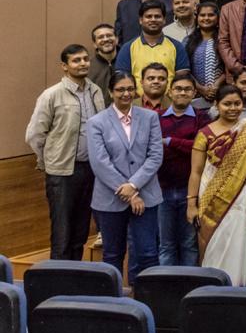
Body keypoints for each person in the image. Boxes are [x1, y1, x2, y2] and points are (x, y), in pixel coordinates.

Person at [185, 84, 246, 285]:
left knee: (239, 241)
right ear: (216, 105)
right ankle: (214, 288)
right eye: (227, 104)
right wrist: (191, 204)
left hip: (242, 195)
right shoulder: (204, 133)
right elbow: (196, 172)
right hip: (210, 194)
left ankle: (239, 288)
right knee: (213, 241)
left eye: (237, 104)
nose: (232, 108)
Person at [26, 44, 106, 262]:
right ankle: (58, 283)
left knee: (81, 231)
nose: (82, 64)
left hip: (90, 169)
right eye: (76, 60)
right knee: (62, 232)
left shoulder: (95, 91)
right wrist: (49, 160)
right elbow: (34, 134)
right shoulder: (51, 95)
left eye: (85, 59)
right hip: (61, 173)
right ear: (64, 66)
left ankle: (75, 278)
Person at [88, 71, 163, 284]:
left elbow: (155, 156)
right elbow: (99, 163)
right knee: (112, 254)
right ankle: (113, 305)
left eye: (130, 89)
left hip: (146, 195)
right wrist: (129, 193)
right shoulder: (97, 122)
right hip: (110, 199)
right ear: (111, 92)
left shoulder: (150, 117)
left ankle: (150, 302)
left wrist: (134, 185)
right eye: (120, 89)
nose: (126, 93)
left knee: (148, 253)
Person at [156, 72, 206, 266]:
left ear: (194, 93)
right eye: (178, 89)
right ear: (170, 91)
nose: (182, 93)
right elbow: (153, 149)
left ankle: (189, 287)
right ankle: (166, 291)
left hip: (191, 191)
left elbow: (199, 147)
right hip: (162, 189)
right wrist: (185, 146)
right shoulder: (157, 118)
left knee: (189, 243)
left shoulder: (201, 119)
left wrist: (169, 141)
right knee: (166, 244)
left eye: (187, 89)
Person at [116, 0, 191, 93]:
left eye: (157, 16)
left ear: (164, 20)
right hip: (137, 103)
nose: (153, 19)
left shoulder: (177, 47)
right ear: (140, 20)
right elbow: (122, 81)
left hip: (169, 104)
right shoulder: (127, 48)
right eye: (148, 16)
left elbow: (182, 80)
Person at [186, 2, 223, 107]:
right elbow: (185, 69)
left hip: (221, 95)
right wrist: (200, 88)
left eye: (211, 15)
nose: (206, 18)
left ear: (218, 17)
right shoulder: (188, 41)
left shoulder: (224, 38)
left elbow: (228, 67)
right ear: (197, 17)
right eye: (202, 15)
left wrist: (216, 85)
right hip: (196, 96)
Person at [89, 23, 119, 96]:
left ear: (117, 39)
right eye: (100, 37)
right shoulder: (88, 67)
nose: (105, 39)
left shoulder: (127, 61)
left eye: (109, 35)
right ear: (94, 44)